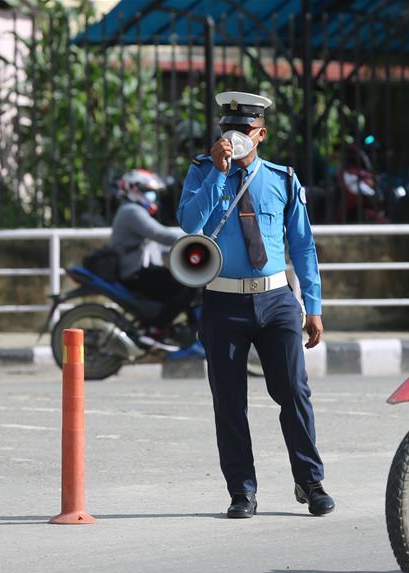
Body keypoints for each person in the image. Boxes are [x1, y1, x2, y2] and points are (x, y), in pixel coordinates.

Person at [177, 91, 333, 519]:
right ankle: (241, 492)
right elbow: (189, 223)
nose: (233, 137)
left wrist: (313, 305)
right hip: (223, 300)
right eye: (227, 129)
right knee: (229, 401)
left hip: (276, 299)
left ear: (260, 134)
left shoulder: (283, 179)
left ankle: (310, 481)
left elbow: (303, 247)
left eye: (243, 130)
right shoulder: (202, 172)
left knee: (294, 391)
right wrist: (217, 174)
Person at [110, 169, 197, 347]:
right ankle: (156, 329)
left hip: (141, 270)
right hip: (135, 273)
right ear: (133, 190)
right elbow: (161, 234)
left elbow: (160, 244)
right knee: (187, 286)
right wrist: (197, 238)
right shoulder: (131, 211)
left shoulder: (134, 211)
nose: (151, 196)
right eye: (146, 191)